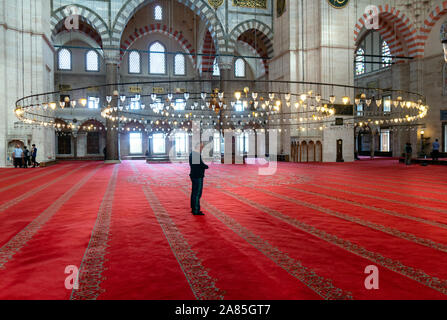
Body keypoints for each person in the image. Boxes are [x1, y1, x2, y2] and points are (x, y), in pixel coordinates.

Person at [189, 142, 209, 216]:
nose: (202, 148)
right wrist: (205, 166)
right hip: (197, 176)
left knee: (194, 193)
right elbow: (199, 165)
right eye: (201, 147)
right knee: (197, 193)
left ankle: (193, 208)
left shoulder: (193, 153)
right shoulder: (196, 154)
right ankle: (196, 210)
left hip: (194, 175)